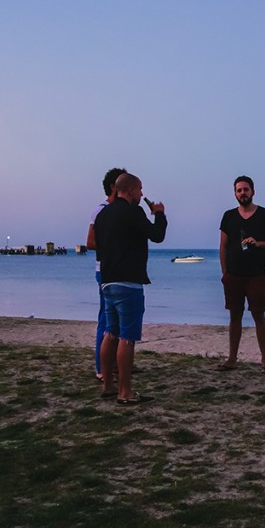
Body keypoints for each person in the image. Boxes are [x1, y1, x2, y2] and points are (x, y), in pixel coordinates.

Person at [94, 173, 167, 405]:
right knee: (127, 337)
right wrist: (160, 215)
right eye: (140, 189)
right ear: (130, 190)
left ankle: (108, 385)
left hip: (107, 280)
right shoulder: (134, 211)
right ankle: (125, 392)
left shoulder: (103, 214)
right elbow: (157, 236)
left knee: (110, 332)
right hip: (128, 283)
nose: (142, 194)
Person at [217, 176, 265, 371]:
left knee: (258, 315)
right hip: (233, 276)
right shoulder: (229, 216)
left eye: (245, 189)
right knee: (234, 316)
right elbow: (223, 246)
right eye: (239, 190)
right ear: (235, 193)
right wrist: (224, 272)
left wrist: (258, 243)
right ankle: (232, 359)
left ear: (252, 191)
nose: (242, 193)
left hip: (256, 275)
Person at [86, 167, 126, 382]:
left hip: (118, 271)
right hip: (105, 272)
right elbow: (90, 242)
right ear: (113, 186)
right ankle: (102, 368)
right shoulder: (101, 211)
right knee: (107, 319)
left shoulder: (120, 210)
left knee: (119, 321)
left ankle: (118, 364)